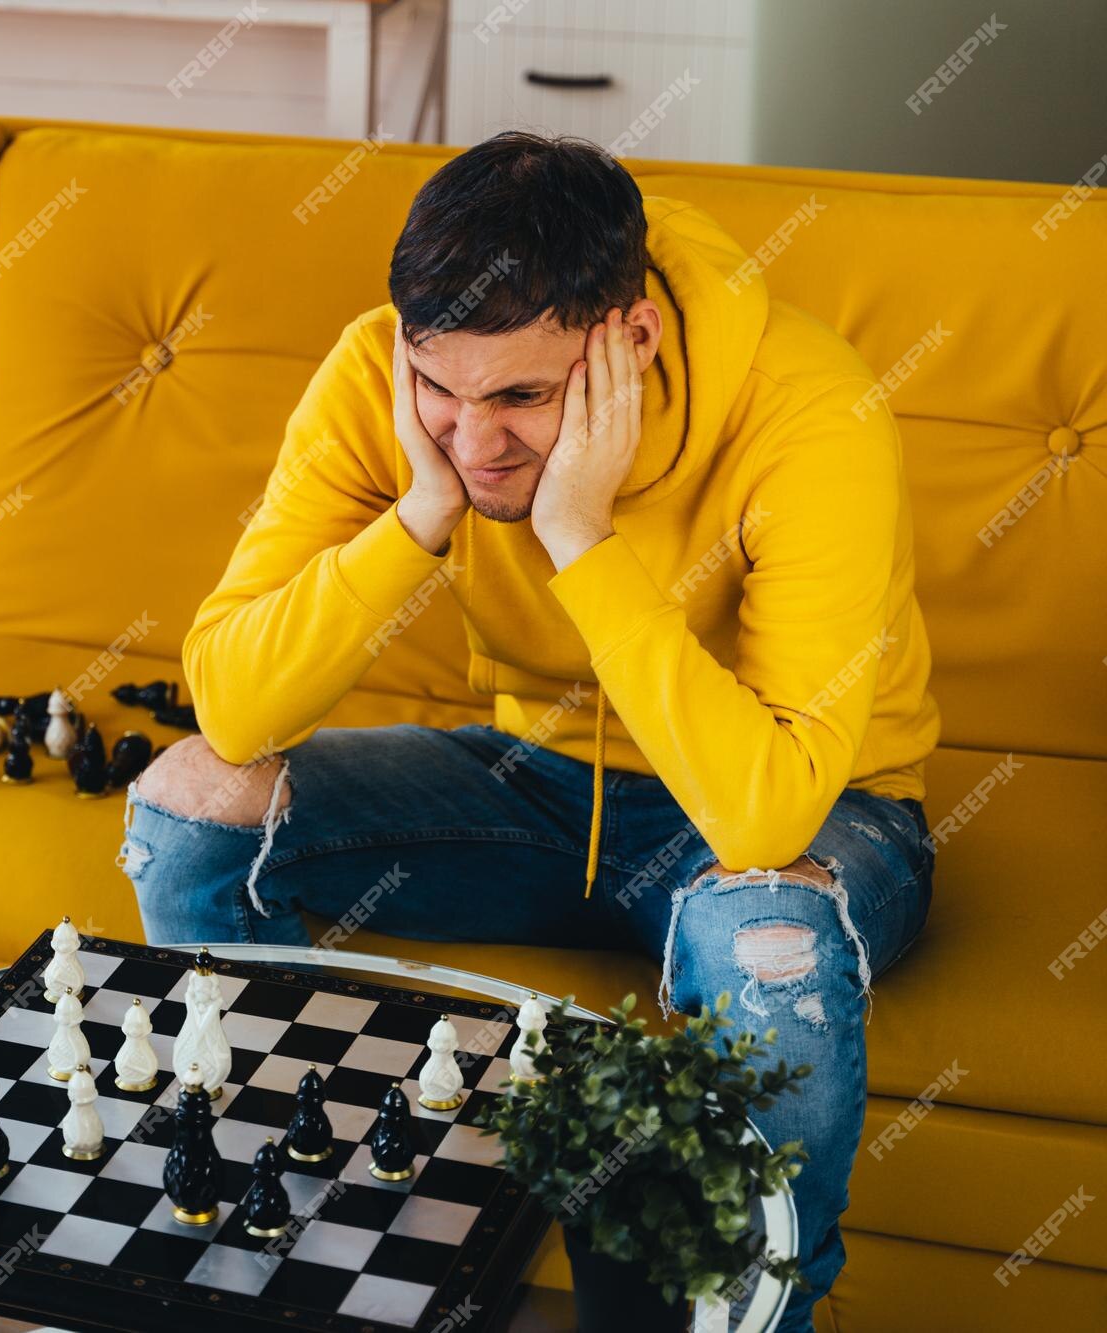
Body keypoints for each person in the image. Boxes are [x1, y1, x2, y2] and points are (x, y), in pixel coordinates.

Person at [118, 131, 939, 1326]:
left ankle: (755, 1316)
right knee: (192, 804)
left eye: (518, 398)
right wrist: (417, 513)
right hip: (537, 790)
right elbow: (233, 710)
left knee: (767, 938)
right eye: (438, 389)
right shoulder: (385, 383)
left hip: (812, 817)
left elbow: (764, 809)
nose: (470, 436)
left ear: (630, 342)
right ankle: (284, 1235)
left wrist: (580, 537)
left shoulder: (811, 410)